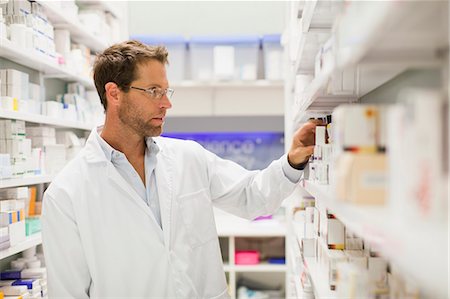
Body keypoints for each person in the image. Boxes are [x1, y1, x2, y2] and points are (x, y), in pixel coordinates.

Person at [41, 40, 318, 299]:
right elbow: (69, 293)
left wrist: (293, 161)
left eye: (165, 91)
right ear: (114, 93)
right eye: (153, 91)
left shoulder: (187, 157)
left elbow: (252, 197)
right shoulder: (67, 194)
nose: (166, 103)